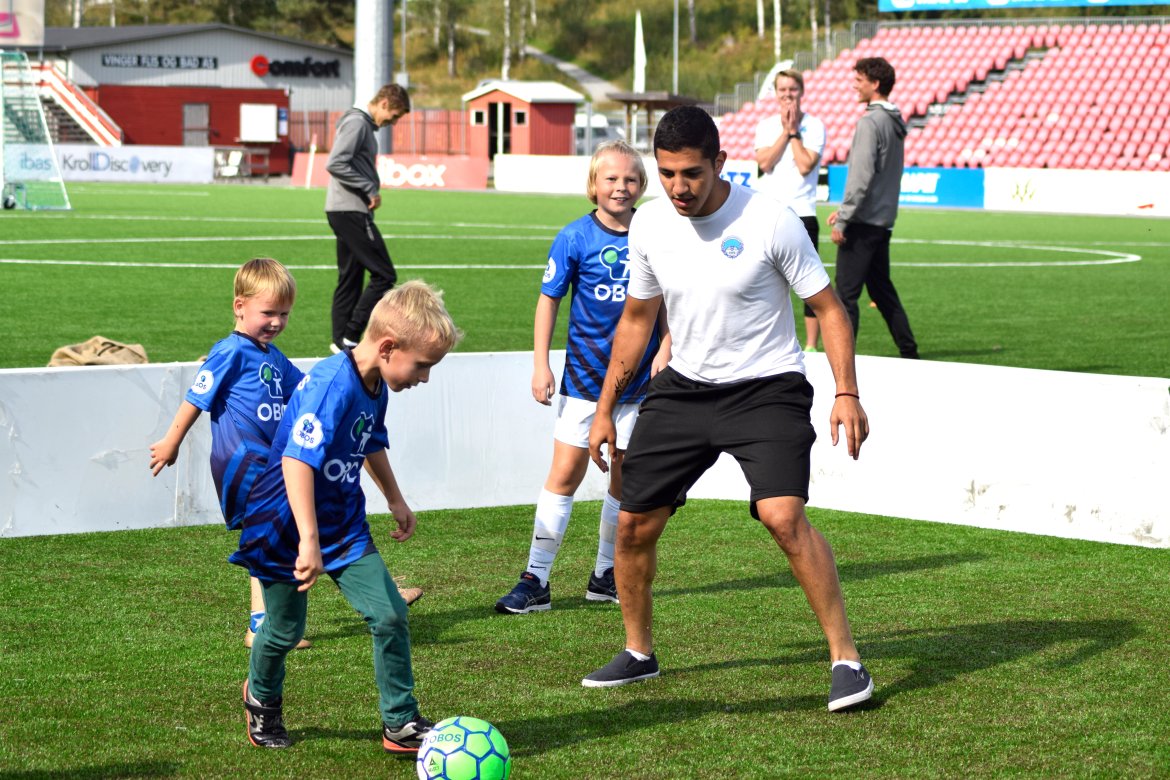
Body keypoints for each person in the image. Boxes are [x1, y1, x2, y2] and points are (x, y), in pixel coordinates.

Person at [582, 106, 875, 713]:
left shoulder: (771, 221)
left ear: (719, 162)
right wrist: (605, 407)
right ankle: (638, 652)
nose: (678, 187)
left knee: (782, 517)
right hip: (685, 387)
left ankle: (846, 659)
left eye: (691, 173)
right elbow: (636, 319)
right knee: (632, 525)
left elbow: (829, 308)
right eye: (667, 173)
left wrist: (846, 392)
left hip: (767, 387)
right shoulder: (650, 225)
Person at [230, 281, 461, 752]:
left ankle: (400, 721)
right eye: (422, 365)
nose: (424, 378)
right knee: (285, 629)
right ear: (388, 347)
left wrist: (395, 498)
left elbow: (369, 440)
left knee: (389, 613)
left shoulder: (376, 383)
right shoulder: (331, 384)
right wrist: (308, 540)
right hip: (283, 525)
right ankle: (262, 698)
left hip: (342, 524)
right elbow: (296, 461)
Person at [495, 140, 669, 615]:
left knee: (624, 477)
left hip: (638, 384)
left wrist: (667, 346)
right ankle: (536, 578)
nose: (620, 187)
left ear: (642, 185)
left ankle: (605, 575)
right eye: (611, 178)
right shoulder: (574, 237)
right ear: (594, 185)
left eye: (630, 179)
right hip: (584, 381)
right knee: (565, 474)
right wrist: (540, 364)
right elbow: (548, 300)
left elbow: (668, 299)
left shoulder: (654, 233)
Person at [149, 257, 311, 650]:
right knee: (272, 537)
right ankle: (262, 626)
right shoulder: (230, 351)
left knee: (281, 536)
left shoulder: (272, 355)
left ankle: (269, 622)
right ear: (240, 306)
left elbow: (305, 388)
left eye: (284, 314)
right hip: (244, 464)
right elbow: (196, 397)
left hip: (272, 464)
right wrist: (171, 441)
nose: (276, 322)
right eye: (268, 312)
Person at [828, 57, 920, 360]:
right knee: (882, 292)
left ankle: (843, 360)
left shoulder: (870, 122)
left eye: (859, 80)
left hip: (862, 223)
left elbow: (861, 176)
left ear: (875, 84)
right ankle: (909, 351)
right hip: (882, 221)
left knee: (846, 296)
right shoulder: (894, 122)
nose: (854, 85)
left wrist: (844, 218)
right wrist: (846, 211)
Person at [326, 84, 410, 354]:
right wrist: (369, 188)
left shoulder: (360, 124)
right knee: (384, 275)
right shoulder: (358, 123)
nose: (393, 123)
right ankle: (352, 335)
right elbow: (336, 163)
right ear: (384, 103)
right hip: (350, 210)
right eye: (394, 116)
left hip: (344, 209)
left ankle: (340, 343)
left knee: (350, 278)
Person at [755, 68, 828, 354]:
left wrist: (795, 131)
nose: (787, 95)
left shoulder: (815, 125)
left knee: (810, 283)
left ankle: (811, 345)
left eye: (793, 89)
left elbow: (806, 165)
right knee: (765, 281)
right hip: (769, 213)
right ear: (775, 93)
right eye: (782, 90)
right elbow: (765, 163)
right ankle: (770, 340)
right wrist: (785, 132)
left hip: (803, 212)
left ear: (802, 92)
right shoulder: (765, 126)